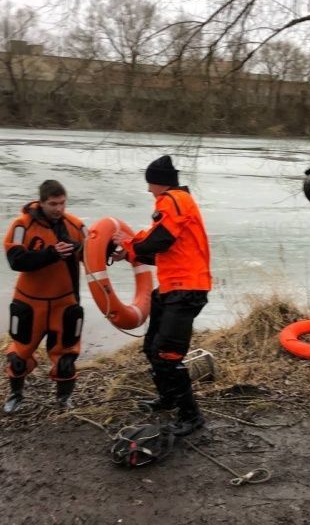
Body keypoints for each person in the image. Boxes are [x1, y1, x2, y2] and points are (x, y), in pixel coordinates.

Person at [112, 155, 211, 436]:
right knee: (152, 348)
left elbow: (160, 239)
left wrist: (131, 244)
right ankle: (168, 398)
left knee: (167, 354)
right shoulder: (177, 206)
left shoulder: (172, 200)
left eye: (149, 185)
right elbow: (164, 249)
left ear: (158, 183)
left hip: (187, 289)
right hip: (172, 287)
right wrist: (129, 251)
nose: (148, 191)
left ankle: (191, 415)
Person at [2, 179, 86, 413]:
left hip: (65, 302)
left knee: (66, 360)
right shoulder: (22, 226)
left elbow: (95, 253)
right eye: (53, 204)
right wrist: (51, 253)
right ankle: (16, 395)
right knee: (18, 357)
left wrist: (114, 248)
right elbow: (16, 261)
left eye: (62, 203)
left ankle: (63, 401)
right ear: (41, 203)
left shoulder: (76, 226)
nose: (59, 209)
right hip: (30, 302)